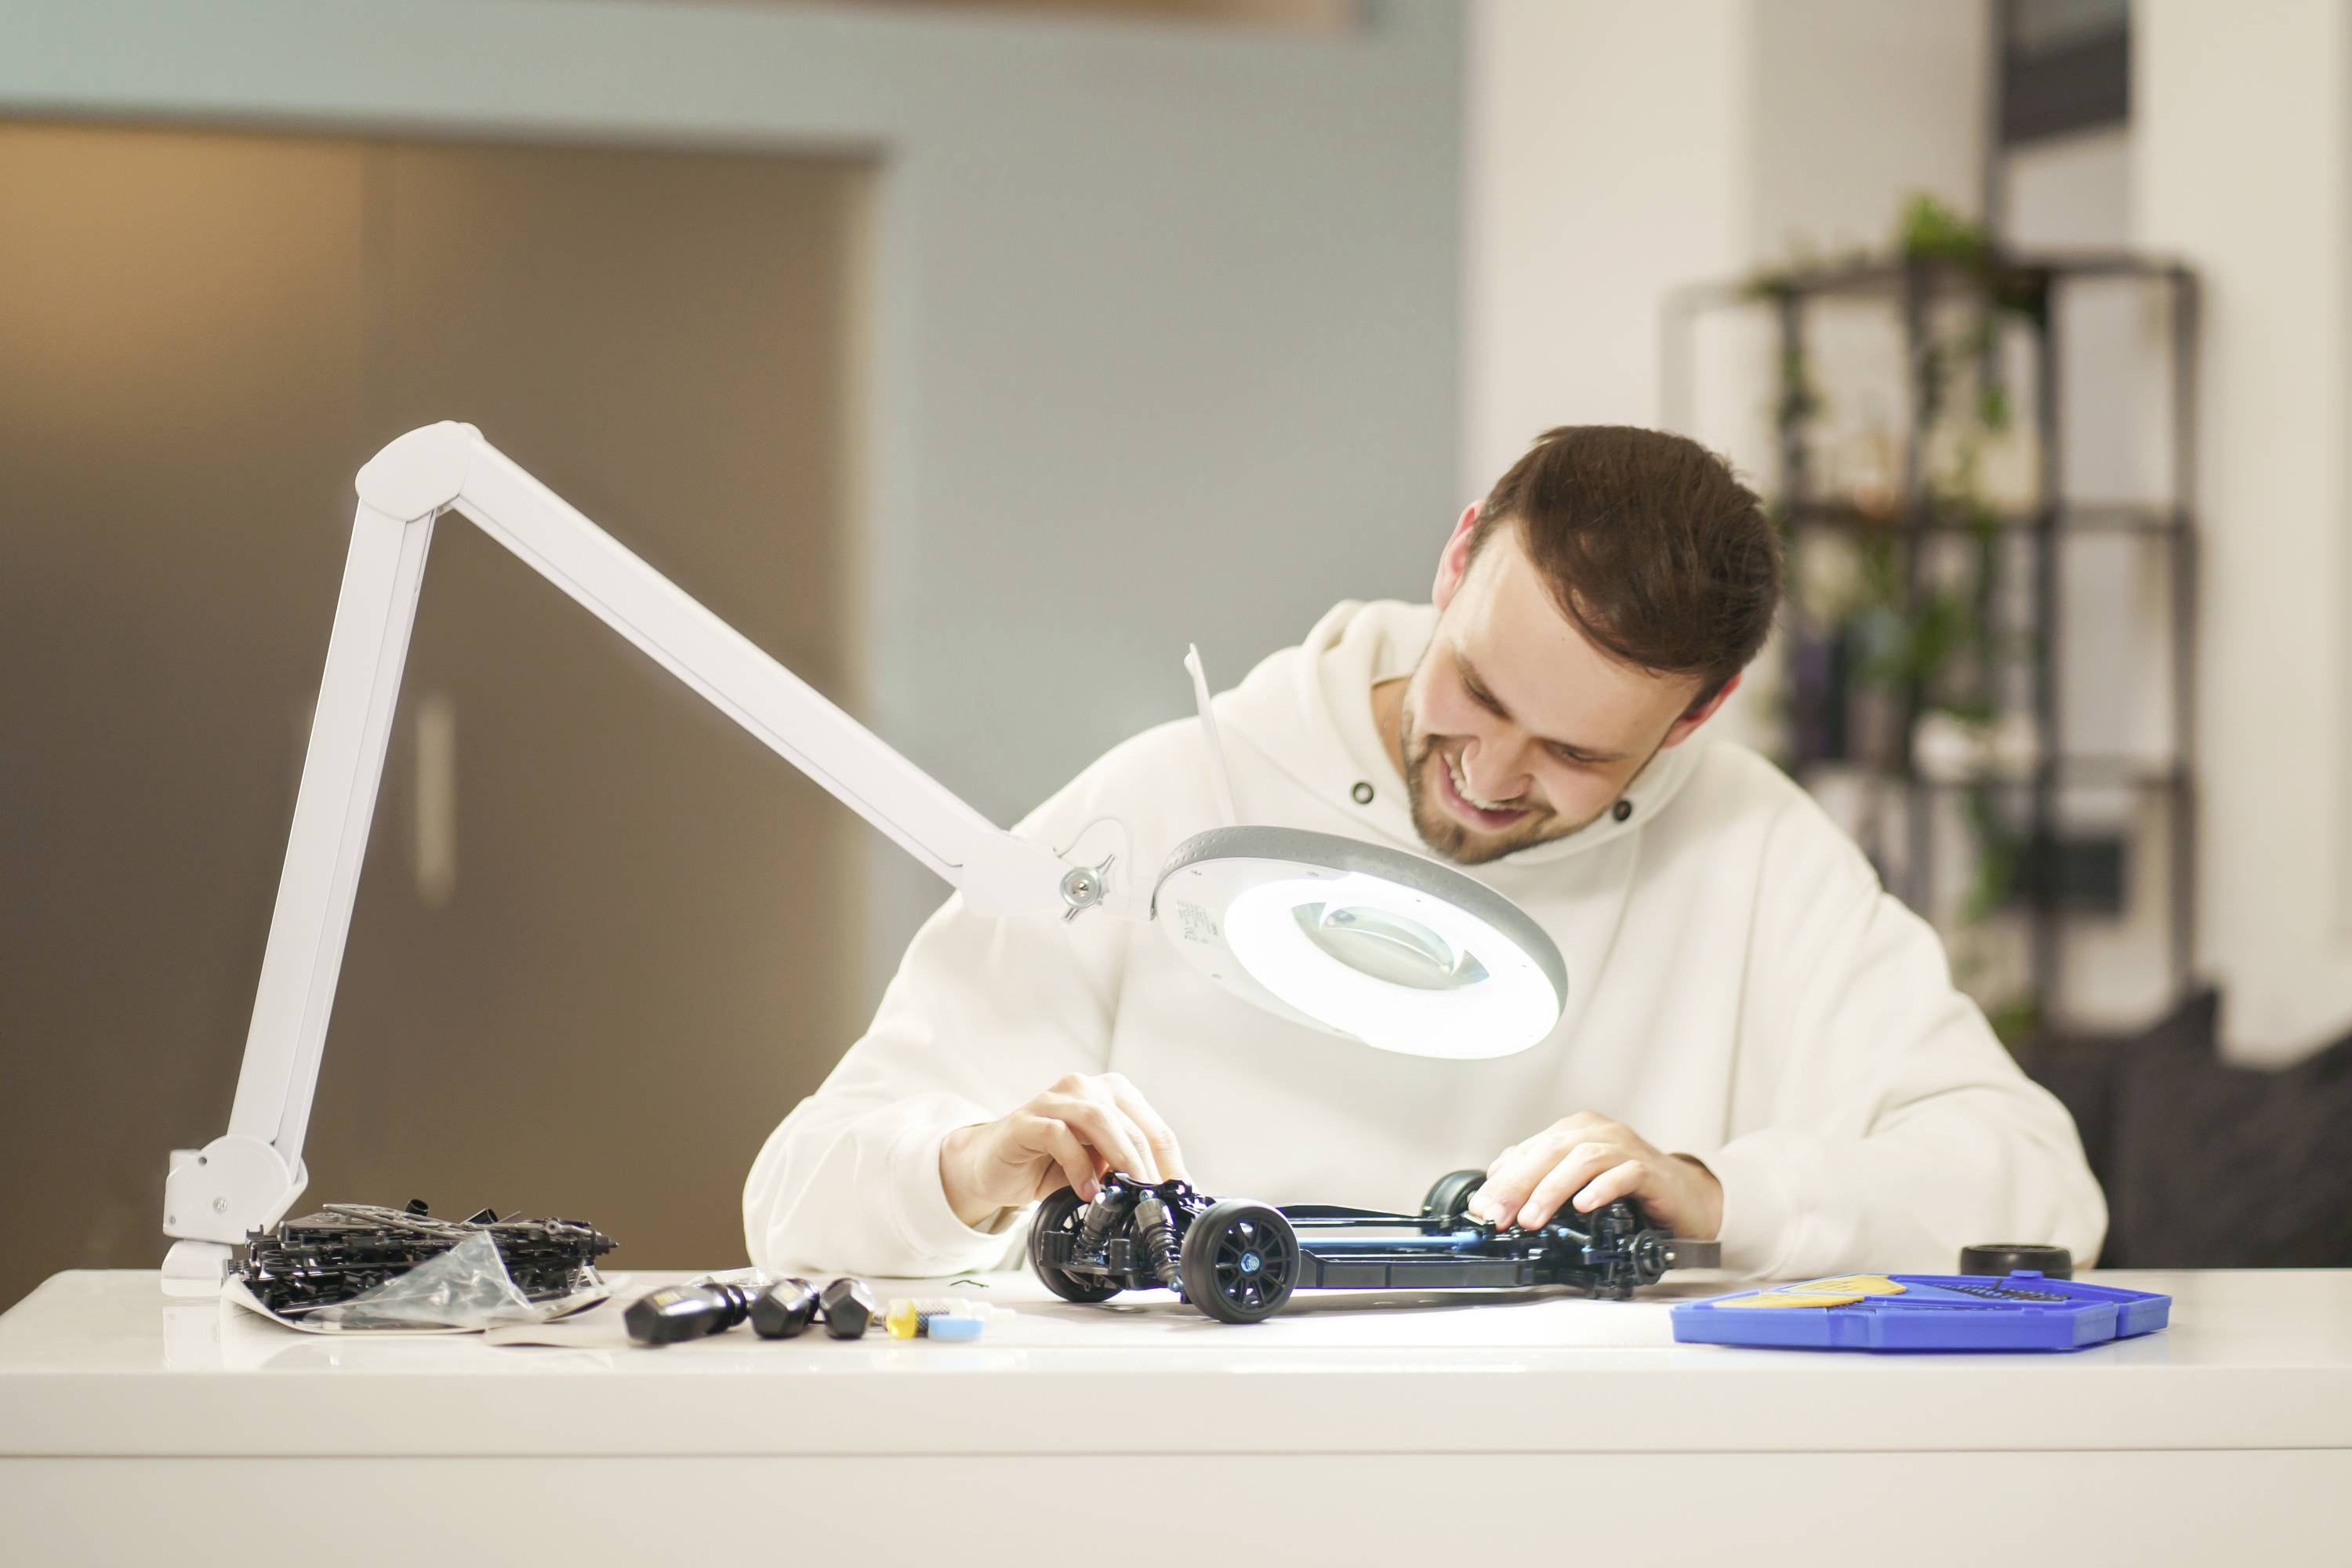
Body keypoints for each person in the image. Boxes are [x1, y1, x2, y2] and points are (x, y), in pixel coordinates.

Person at [744, 425, 2104, 1281]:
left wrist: (1724, 1191)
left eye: (1578, 755)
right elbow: (796, 1196)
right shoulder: (1168, 800)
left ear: (1696, 716)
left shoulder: (1754, 854)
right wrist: (970, 1165)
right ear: (1457, 563)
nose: (1496, 779)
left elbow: (2033, 1186)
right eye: (1483, 694)